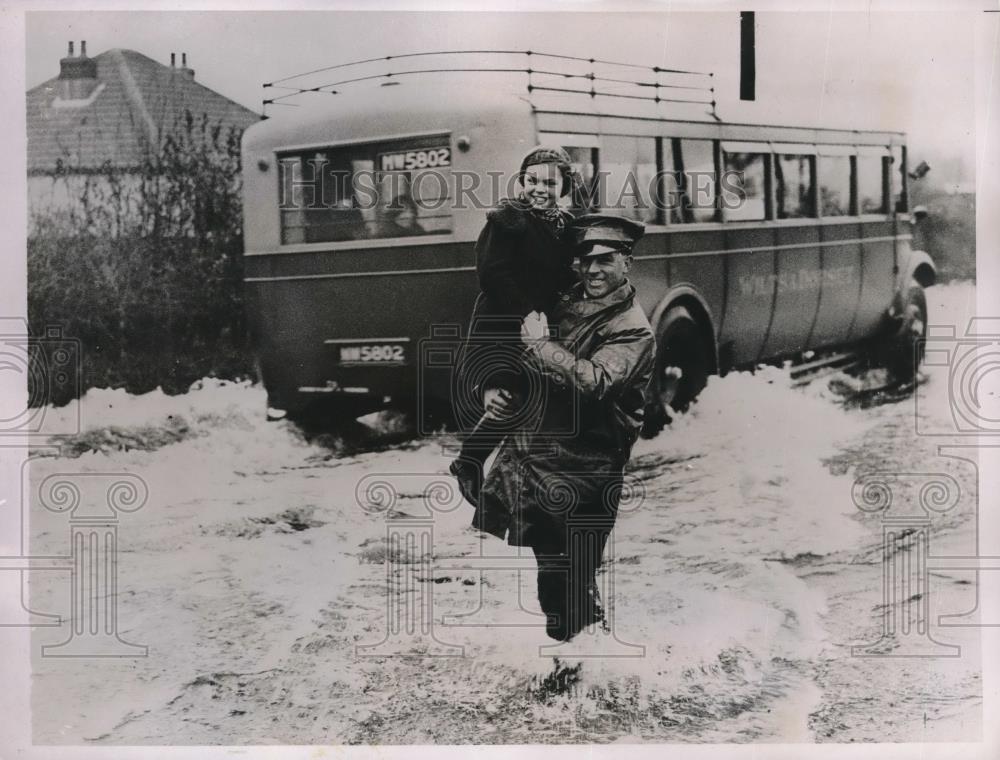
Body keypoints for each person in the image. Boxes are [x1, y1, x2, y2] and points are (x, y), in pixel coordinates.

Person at [472, 214, 656, 642]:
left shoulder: (632, 330)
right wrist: (494, 385)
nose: (591, 269)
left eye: (605, 260)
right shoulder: (564, 302)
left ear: (626, 262)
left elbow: (596, 383)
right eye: (584, 260)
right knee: (553, 584)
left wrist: (541, 346)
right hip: (540, 467)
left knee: (575, 579)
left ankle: (593, 669)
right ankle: (572, 667)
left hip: (591, 476)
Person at [449, 146, 580, 505]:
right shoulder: (507, 219)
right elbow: (492, 274)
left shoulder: (564, 224)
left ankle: (503, 478)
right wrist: (526, 312)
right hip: (502, 326)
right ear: (522, 181)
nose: (540, 188)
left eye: (550, 183)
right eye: (532, 180)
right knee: (510, 399)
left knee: (532, 401)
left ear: (564, 186)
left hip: (536, 326)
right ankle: (470, 462)